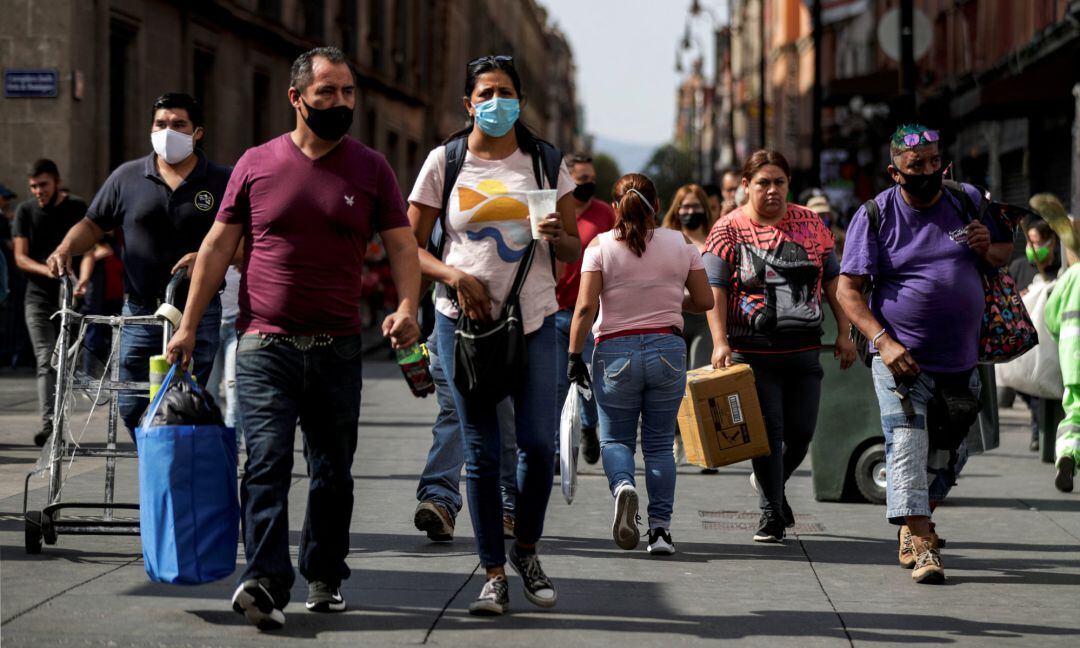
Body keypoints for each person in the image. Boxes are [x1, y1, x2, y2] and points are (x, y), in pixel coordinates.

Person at [166, 46, 421, 630]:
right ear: (296, 97)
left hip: (337, 346)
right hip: (263, 345)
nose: (340, 102)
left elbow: (404, 246)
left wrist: (408, 306)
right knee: (265, 463)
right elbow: (216, 248)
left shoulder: (371, 167)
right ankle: (264, 581)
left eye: (348, 92)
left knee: (333, 471)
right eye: (328, 92)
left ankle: (325, 572)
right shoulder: (255, 164)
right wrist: (186, 326)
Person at [408, 55, 579, 616]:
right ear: (469, 102)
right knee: (481, 454)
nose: (495, 102)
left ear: (520, 101)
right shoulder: (444, 161)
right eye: (486, 93)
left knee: (536, 445)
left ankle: (525, 548)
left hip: (534, 319)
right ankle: (494, 573)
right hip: (464, 327)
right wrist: (452, 275)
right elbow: (406, 246)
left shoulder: (545, 161)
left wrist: (558, 235)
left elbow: (576, 246)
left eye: (505, 92)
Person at [836, 124, 1013, 583]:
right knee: (907, 447)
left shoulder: (968, 199)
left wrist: (986, 247)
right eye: (918, 166)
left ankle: (916, 520)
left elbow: (1004, 252)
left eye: (936, 162)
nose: (930, 172)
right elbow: (848, 291)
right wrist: (884, 342)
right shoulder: (874, 216)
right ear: (895, 172)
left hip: (962, 360)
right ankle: (922, 545)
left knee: (952, 455)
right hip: (901, 362)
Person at [47, 93, 231, 437]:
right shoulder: (127, 177)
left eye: (179, 125)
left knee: (183, 403)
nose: (168, 131)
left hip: (197, 311)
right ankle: (153, 459)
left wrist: (205, 258)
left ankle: (173, 475)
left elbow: (245, 241)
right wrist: (66, 247)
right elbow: (92, 224)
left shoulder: (222, 181)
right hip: (139, 312)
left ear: (198, 133)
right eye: (161, 124)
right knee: (130, 403)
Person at [704, 150, 855, 544]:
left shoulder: (810, 223)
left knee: (802, 433)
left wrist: (844, 331)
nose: (772, 190)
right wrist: (720, 341)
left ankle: (771, 484)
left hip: (805, 349)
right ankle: (771, 514)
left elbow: (835, 280)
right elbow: (714, 290)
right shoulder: (727, 230)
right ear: (745, 186)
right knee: (768, 432)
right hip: (754, 352)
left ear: (789, 184)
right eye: (763, 183)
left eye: (779, 182)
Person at [568, 173, 712, 556]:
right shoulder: (680, 243)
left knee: (615, 438)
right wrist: (667, 297)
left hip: (615, 352)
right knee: (661, 444)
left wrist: (572, 356)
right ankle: (661, 531)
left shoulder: (599, 246)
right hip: (667, 348)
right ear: (659, 206)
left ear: (615, 208)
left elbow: (584, 307)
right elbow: (705, 301)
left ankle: (623, 487)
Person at [413, 324, 519, 542]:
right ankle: (442, 500)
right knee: (467, 415)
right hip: (452, 338)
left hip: (494, 338)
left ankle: (442, 498)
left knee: (487, 417)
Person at [12, 160, 88, 446]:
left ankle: (61, 422)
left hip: (70, 295)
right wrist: (49, 270)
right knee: (45, 359)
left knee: (65, 363)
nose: (38, 191)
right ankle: (50, 426)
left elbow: (92, 247)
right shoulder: (25, 211)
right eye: (33, 186)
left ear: (56, 182)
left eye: (43, 184)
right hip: (37, 297)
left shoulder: (76, 208)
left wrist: (83, 278)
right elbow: (20, 257)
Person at [553, 152, 615, 465]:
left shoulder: (606, 214)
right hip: (551, 309)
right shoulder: (552, 212)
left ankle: (590, 427)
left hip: (591, 313)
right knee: (554, 381)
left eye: (592, 180)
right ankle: (556, 449)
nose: (588, 185)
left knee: (586, 378)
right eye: (582, 180)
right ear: (566, 180)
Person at [1007, 219, 1061, 451]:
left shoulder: (1061, 269)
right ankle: (1038, 426)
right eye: (1031, 242)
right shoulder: (1019, 267)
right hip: (1022, 340)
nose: (1033, 247)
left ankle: (1039, 433)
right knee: (1020, 382)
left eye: (1038, 243)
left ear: (1052, 244)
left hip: (1048, 341)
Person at [661, 184, 715, 369]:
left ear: (705, 209)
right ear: (677, 210)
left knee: (701, 374)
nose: (690, 211)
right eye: (685, 206)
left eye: (695, 206)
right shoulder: (665, 240)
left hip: (706, 320)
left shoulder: (714, 240)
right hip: (674, 318)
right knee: (674, 378)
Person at [1047, 260, 1080, 492]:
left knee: (1075, 411)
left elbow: (1051, 316)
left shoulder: (1073, 274)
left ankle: (1068, 453)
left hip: (1073, 357)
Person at [205, 265, 242, 435]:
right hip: (212, 323)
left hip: (238, 325)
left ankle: (231, 446)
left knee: (233, 387)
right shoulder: (212, 250)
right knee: (210, 390)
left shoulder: (245, 253)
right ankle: (215, 440)